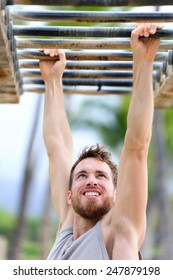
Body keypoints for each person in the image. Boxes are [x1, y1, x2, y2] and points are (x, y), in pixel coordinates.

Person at [39, 23, 163, 260]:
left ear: (116, 195)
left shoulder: (120, 233)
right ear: (69, 195)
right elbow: (57, 149)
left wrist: (143, 61)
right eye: (82, 176)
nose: (91, 181)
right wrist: (53, 80)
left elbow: (137, 145)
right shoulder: (66, 229)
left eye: (101, 176)